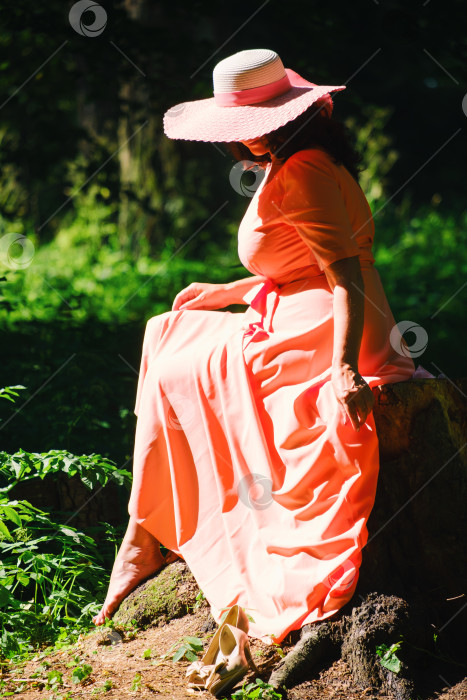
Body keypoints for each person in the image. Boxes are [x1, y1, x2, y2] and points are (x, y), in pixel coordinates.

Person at [93, 49, 416, 643]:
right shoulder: (291, 160)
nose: (233, 143)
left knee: (174, 372)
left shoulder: (303, 170)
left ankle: (144, 537)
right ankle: (142, 532)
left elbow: (342, 273)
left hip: (330, 322)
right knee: (163, 329)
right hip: (304, 300)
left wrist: (344, 369)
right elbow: (300, 257)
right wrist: (228, 290)